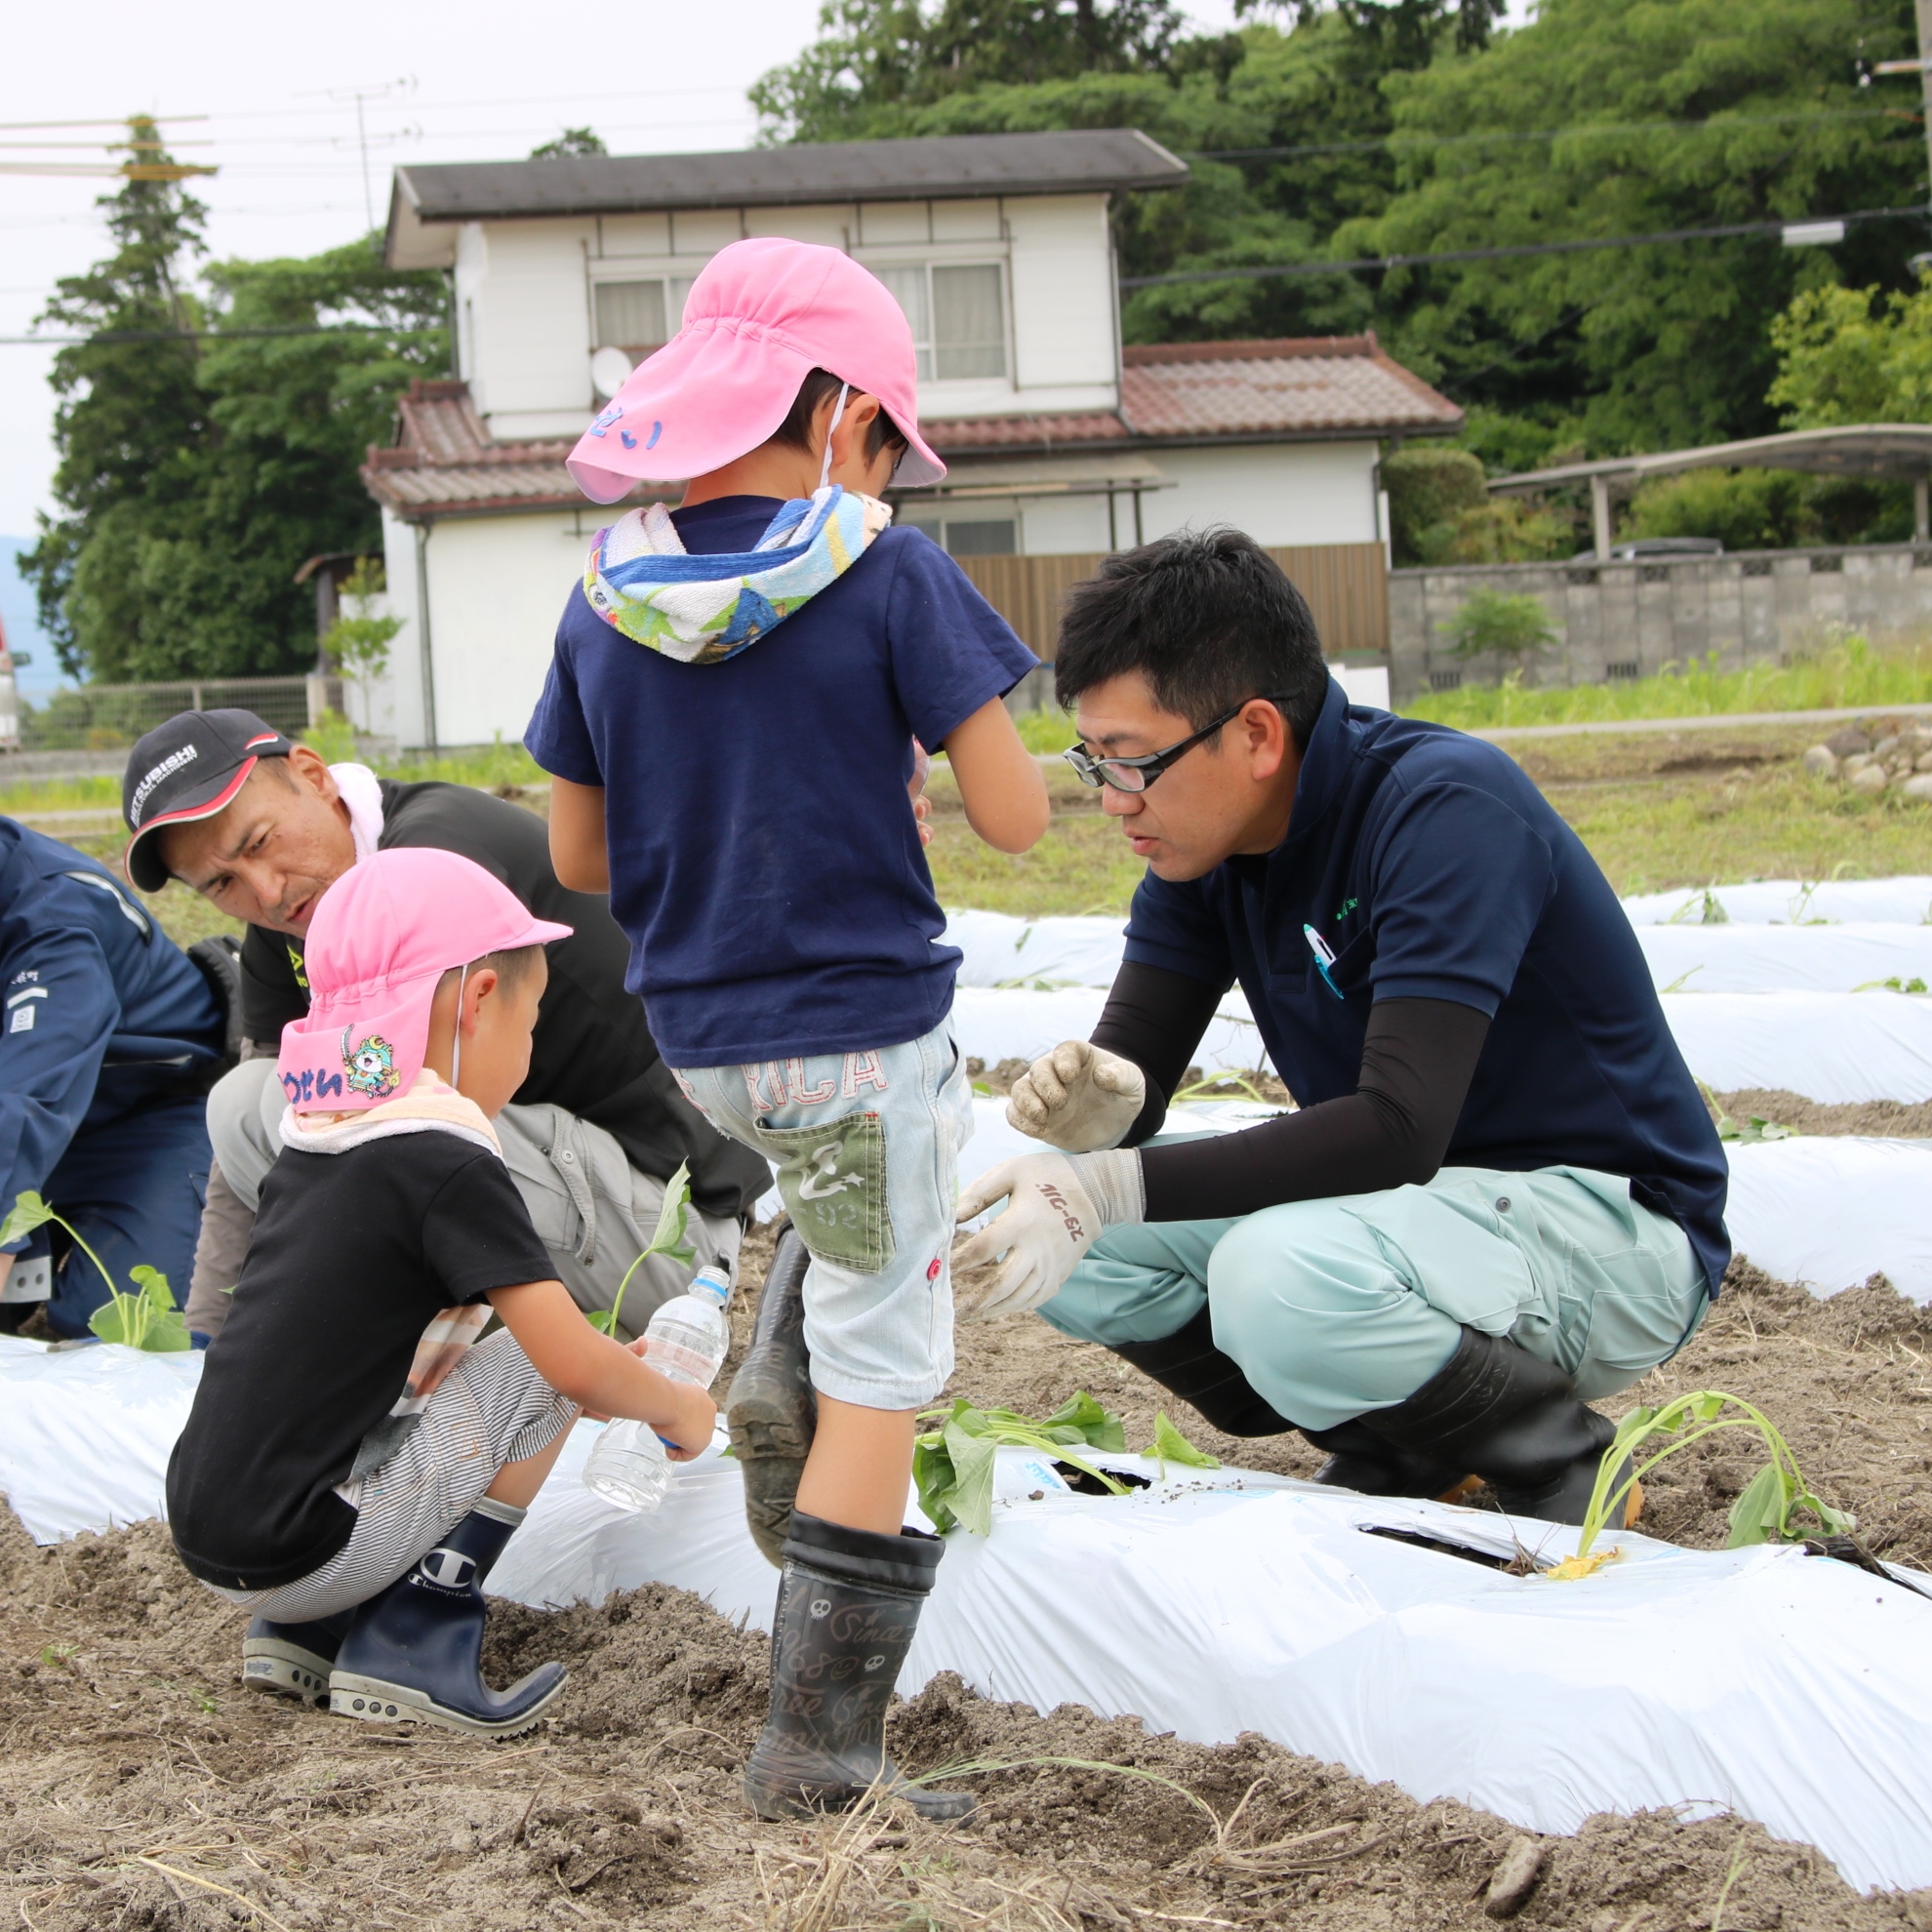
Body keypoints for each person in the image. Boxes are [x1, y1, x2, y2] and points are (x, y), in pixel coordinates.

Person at [527, 235, 1049, 1819]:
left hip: (703, 1043)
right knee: (893, 1366)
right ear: (836, 415)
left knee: (874, 1167)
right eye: (886, 435)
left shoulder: (604, 592)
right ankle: (821, 1748)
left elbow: (581, 862)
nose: (889, 470)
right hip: (855, 1028)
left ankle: (776, 1350)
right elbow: (1017, 818)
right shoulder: (888, 567)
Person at [953, 529, 1730, 1528]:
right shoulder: (1206, 854)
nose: (1111, 801)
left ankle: (1561, 1463)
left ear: (1260, 734)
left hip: (1609, 1227)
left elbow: (1400, 1125)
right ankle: (1405, 1444)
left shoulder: (1442, 810)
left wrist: (1107, 1183)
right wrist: (1102, 1117)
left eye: (1133, 761)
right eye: (1092, 761)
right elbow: (1135, 1085)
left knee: (1270, 1275)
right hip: (1418, 1219)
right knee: (1070, 1245)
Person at [166, 846, 716, 1736]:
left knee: (460, 1371)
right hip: (305, 1550)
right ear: (480, 1001)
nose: (529, 1054)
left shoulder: (322, 1134)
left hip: (217, 1526)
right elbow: (567, 1365)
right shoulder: (445, 1157)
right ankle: (416, 1634)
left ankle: (312, 1633)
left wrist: (618, 1369)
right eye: (531, 1023)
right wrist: (673, 1407)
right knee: (538, 1367)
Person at [118, 708, 770, 1345]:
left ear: (313, 775)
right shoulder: (291, 921)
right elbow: (248, 1163)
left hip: (668, 1236)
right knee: (247, 1097)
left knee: (350, 1105)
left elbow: (400, 1134)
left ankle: (459, 1347)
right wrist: (206, 1344)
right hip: (537, 1197)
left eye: (258, 842)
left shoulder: (433, 857)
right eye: (220, 883)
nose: (262, 891)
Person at [0, 817, 225, 1338]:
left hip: (152, 1116)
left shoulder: (53, 916)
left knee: (125, 1331)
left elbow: (26, 1105)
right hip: (46, 1117)